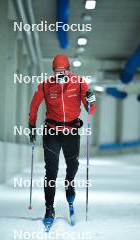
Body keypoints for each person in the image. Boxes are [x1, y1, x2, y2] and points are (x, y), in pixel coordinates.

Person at [28, 54, 96, 221]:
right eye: (57, 72)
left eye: (63, 72)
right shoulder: (46, 85)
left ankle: (69, 185)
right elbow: (34, 106)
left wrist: (91, 101)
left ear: (68, 70)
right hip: (52, 132)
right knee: (51, 171)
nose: (60, 75)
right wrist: (31, 125)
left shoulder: (79, 83)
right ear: (53, 71)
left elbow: (91, 110)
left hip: (71, 132)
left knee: (72, 165)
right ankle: (49, 208)